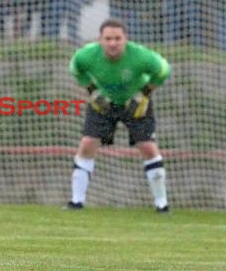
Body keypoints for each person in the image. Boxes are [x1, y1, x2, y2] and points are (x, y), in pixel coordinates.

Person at [66, 19, 171, 212]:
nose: (112, 43)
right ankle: (76, 202)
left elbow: (163, 70)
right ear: (100, 40)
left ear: (125, 39)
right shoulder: (86, 55)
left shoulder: (141, 55)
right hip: (104, 102)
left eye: (117, 39)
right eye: (108, 39)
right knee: (88, 143)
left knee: (147, 147)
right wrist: (92, 91)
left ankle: (162, 205)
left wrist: (144, 94)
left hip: (135, 101)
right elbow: (75, 68)